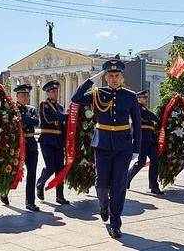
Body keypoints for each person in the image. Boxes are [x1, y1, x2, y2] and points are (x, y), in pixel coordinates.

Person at [72, 59, 141, 239]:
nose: (114, 78)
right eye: (110, 76)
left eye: (117, 75)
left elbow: (138, 124)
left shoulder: (130, 96)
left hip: (123, 146)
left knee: (119, 185)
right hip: (102, 144)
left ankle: (115, 223)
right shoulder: (97, 94)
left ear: (121, 77)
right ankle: (103, 205)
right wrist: (91, 80)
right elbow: (76, 98)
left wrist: (136, 148)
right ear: (105, 78)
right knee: (101, 183)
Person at [0, 84, 40, 211]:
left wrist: (24, 119)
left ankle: (30, 201)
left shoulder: (31, 109)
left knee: (32, 173)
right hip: (18, 144)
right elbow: (13, 123)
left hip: (31, 144)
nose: (25, 97)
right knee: (12, 171)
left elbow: (36, 122)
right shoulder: (11, 109)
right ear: (17, 96)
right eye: (22, 95)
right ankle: (3, 192)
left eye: (27, 95)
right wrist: (26, 120)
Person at [36, 80, 69, 205]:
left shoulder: (60, 106)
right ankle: (40, 183)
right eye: (52, 91)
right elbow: (56, 117)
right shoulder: (44, 105)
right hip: (47, 139)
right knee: (50, 167)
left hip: (58, 141)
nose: (55, 93)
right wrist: (71, 115)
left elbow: (63, 125)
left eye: (56, 91)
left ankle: (59, 196)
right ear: (48, 93)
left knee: (60, 169)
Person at [126, 89, 161, 194]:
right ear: (138, 99)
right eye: (144, 97)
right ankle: (126, 179)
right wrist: (158, 117)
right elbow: (151, 116)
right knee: (141, 162)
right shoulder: (138, 108)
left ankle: (154, 186)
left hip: (150, 139)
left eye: (147, 97)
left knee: (155, 161)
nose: (147, 99)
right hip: (142, 139)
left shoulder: (144, 108)